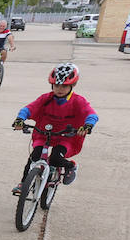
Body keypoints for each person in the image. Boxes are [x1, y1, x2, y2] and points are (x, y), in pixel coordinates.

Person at [12, 63, 98, 193]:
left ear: (72, 85)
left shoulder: (78, 101)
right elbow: (29, 108)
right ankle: (23, 183)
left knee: (55, 158)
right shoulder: (46, 98)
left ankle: (71, 166)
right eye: (56, 85)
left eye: (64, 86)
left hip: (66, 137)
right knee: (34, 156)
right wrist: (20, 119)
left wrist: (88, 125)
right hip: (44, 134)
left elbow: (91, 114)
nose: (59, 89)